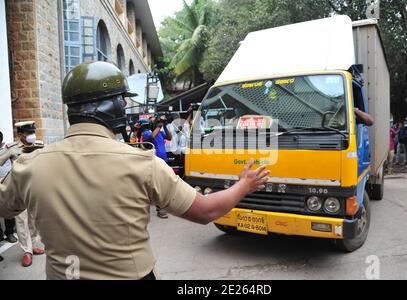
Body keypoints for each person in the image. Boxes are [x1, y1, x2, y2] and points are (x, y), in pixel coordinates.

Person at [0, 62, 270, 280]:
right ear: (111, 106)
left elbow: (5, 207)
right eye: (122, 101)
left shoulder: (31, 165)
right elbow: (206, 211)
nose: (124, 107)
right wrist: (244, 185)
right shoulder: (142, 163)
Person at [0, 122, 45, 267]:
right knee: (21, 220)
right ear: (21, 134)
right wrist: (8, 154)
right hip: (18, 189)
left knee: (33, 219)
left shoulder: (39, 144)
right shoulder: (11, 148)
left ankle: (32, 245)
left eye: (33, 132)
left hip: (34, 187)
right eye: (28, 133)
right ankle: (27, 251)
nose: (32, 135)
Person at [145, 114, 173, 219]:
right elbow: (152, 137)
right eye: (155, 122)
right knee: (158, 184)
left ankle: (160, 205)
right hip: (155, 161)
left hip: (163, 161)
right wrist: (159, 125)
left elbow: (170, 137)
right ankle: (161, 208)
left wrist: (164, 125)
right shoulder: (147, 132)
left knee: (163, 183)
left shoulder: (160, 132)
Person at [0, 131, 17, 245]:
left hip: (7, 184)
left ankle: (9, 233)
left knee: (9, 210)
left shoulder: (7, 149)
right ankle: (0, 235)